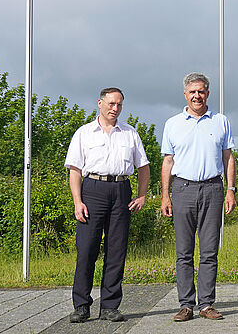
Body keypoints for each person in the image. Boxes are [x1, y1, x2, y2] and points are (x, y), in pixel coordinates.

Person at [65, 87, 150, 323]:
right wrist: (78, 201)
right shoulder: (84, 133)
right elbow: (75, 170)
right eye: (112, 104)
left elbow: (143, 167)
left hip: (121, 190)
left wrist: (142, 195)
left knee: (116, 251)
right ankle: (81, 305)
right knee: (86, 250)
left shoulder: (130, 133)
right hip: (92, 190)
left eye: (119, 105)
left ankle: (110, 306)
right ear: (100, 103)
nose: (115, 109)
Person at [160, 72, 237, 322]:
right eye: (192, 91)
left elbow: (228, 158)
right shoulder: (172, 123)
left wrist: (230, 190)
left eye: (201, 91)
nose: (197, 95)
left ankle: (206, 304)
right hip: (182, 189)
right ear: (185, 94)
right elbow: (168, 161)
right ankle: (186, 304)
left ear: (207, 93)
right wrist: (165, 196)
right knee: (184, 252)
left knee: (209, 251)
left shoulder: (221, 121)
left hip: (213, 189)